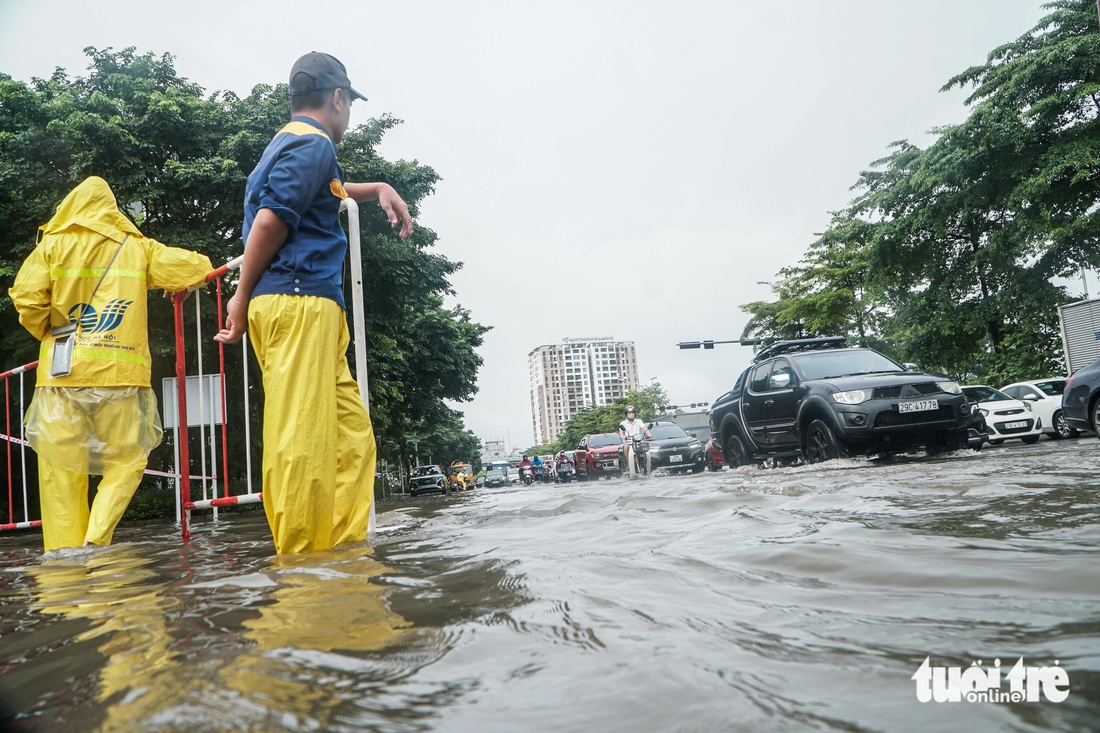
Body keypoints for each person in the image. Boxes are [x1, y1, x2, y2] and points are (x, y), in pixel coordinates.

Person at [213, 52, 413, 554]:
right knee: (302, 438)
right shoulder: (315, 144)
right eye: (350, 104)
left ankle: (338, 555)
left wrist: (381, 188)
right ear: (338, 99)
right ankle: (302, 569)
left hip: (308, 306)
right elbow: (270, 222)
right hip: (297, 300)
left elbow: (330, 192)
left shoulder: (292, 144)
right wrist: (238, 298)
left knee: (350, 439)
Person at [9, 176, 213, 551]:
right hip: (121, 377)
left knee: (60, 475)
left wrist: (51, 333)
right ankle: (95, 539)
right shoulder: (136, 247)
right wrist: (184, 279)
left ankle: (64, 559)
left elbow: (26, 299)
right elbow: (195, 266)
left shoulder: (51, 245)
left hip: (60, 378)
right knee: (127, 462)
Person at [618, 405, 652, 477]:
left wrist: (648, 434)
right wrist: (624, 437)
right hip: (628, 442)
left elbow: (644, 429)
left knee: (647, 451)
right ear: (626, 414)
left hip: (638, 442)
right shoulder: (622, 423)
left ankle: (648, 467)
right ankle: (628, 465)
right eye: (629, 413)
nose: (631, 414)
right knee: (626, 447)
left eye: (632, 412)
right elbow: (621, 433)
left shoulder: (638, 421)